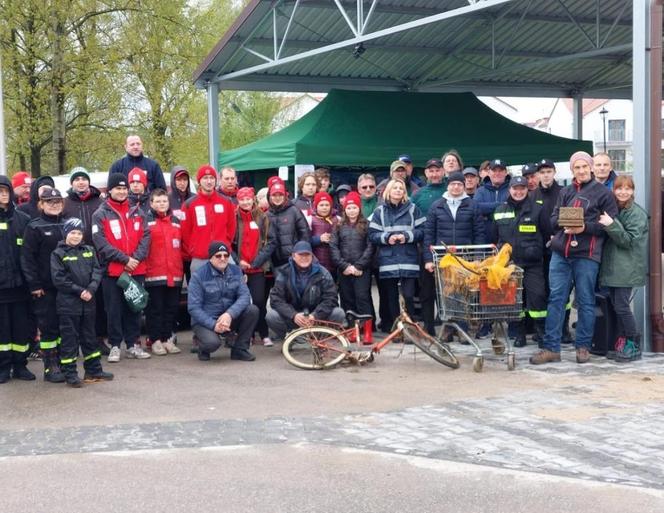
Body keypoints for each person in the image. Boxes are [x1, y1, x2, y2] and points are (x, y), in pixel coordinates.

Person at [530, 151, 618, 365]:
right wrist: (563, 223)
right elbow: (552, 219)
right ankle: (552, 348)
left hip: (587, 255)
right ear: (572, 170)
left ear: (591, 167)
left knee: (586, 301)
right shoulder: (566, 191)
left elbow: (610, 226)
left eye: (584, 166)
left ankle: (583, 347)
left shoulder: (604, 194)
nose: (581, 171)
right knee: (556, 299)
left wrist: (583, 227)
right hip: (561, 253)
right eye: (576, 168)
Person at [92, 173, 151, 363]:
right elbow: (100, 243)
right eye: (118, 188)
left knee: (134, 309)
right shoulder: (100, 214)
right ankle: (115, 345)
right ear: (110, 190)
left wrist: (135, 259)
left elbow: (146, 238)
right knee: (114, 310)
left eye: (124, 188)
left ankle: (133, 344)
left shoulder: (137, 212)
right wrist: (124, 259)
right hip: (113, 272)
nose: (121, 191)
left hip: (136, 270)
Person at [50, 218, 112, 387]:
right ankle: (70, 374)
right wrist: (80, 291)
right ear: (65, 233)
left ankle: (93, 370)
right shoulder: (58, 253)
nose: (76, 236)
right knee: (70, 341)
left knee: (90, 338)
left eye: (79, 233)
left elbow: (97, 271)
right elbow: (59, 279)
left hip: (88, 303)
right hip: (69, 304)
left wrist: (91, 289)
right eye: (72, 233)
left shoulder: (89, 250)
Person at [423, 172, 485, 335]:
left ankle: (463, 329)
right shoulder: (436, 206)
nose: (456, 187)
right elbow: (429, 234)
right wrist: (428, 259)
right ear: (447, 186)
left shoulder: (472, 205)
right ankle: (449, 328)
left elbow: (479, 233)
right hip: (443, 258)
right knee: (446, 292)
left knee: (464, 292)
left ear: (464, 186)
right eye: (453, 184)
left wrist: (478, 257)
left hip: (465, 257)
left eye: (459, 184)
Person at [492, 176, 548, 347]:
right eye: (515, 188)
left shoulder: (537, 209)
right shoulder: (500, 209)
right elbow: (496, 237)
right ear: (509, 190)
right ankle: (519, 334)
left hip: (533, 263)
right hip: (510, 264)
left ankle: (540, 332)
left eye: (522, 188)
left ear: (527, 189)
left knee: (537, 297)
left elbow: (546, 233)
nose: (518, 191)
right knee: (515, 300)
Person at [598, 175, 648, 362]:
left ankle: (634, 344)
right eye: (619, 188)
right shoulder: (615, 209)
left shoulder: (636, 213)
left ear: (633, 191)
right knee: (615, 306)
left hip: (627, 268)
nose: (623, 192)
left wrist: (611, 224)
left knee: (622, 306)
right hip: (614, 268)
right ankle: (622, 343)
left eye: (627, 188)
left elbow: (628, 241)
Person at [21, 187, 66, 382]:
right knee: (49, 328)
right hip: (44, 288)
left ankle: (66, 362)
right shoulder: (34, 227)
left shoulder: (69, 224)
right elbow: (27, 259)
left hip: (67, 287)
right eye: (49, 202)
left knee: (66, 327)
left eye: (57, 202)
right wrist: (34, 285)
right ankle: (51, 367)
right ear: (41, 204)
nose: (54, 205)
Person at [369, 178, 425, 330]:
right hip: (388, 260)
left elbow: (423, 231)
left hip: (408, 258)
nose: (398, 190)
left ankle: (411, 326)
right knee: (391, 297)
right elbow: (372, 234)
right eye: (395, 188)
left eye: (401, 188)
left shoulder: (414, 209)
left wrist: (406, 236)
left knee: (408, 295)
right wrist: (387, 238)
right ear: (389, 191)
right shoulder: (379, 212)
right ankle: (397, 328)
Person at [62, 166, 108, 355]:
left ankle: (99, 339)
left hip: (98, 257)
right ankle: (79, 342)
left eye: (84, 178)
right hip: (73, 259)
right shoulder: (65, 203)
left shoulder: (100, 202)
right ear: (72, 183)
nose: (81, 182)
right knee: (78, 300)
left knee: (99, 302)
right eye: (77, 179)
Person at [187, 241, 258, 362]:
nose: (223, 258)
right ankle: (203, 347)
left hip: (227, 317)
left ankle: (239, 350)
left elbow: (245, 296)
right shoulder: (198, 276)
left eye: (226, 255)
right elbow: (194, 308)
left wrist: (230, 314)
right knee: (213, 344)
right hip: (206, 321)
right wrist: (214, 325)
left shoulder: (236, 271)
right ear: (210, 258)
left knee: (252, 310)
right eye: (218, 255)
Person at [266, 241, 345, 340]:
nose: (304, 258)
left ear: (312, 256)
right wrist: (293, 315)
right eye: (300, 255)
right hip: (294, 317)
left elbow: (331, 298)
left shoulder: (323, 273)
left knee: (338, 313)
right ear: (294, 256)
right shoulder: (284, 273)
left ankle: (320, 340)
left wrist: (315, 315)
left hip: (316, 317)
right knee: (271, 316)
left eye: (307, 255)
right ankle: (292, 339)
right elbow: (276, 299)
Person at [0, 176, 35, 383]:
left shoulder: (22, 220)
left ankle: (20, 365)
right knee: (2, 330)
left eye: (6, 191)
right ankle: (3, 367)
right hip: (1, 289)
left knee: (21, 328)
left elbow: (30, 254)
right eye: (0, 191)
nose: (3, 195)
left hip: (21, 286)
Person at [144, 189, 184, 356]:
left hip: (174, 272)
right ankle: (155, 340)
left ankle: (167, 338)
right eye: (158, 201)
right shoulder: (146, 221)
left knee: (171, 308)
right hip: (154, 273)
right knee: (155, 309)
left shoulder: (176, 221)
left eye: (164, 201)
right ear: (151, 203)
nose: (162, 204)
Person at [233, 187, 272, 347]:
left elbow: (268, 242)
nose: (245, 202)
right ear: (238, 201)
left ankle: (263, 333)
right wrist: (237, 261)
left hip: (257, 267)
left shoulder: (262, 217)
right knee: (241, 302)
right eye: (242, 199)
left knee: (259, 301)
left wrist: (257, 261)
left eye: (248, 199)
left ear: (253, 199)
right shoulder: (234, 218)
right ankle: (246, 334)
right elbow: (229, 243)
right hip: (240, 268)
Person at [330, 192, 374, 330]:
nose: (351, 211)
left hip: (362, 269)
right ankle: (351, 327)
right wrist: (344, 266)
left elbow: (370, 247)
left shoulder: (367, 225)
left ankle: (367, 329)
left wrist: (359, 266)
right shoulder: (338, 225)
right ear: (345, 209)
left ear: (359, 208)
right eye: (349, 208)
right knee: (347, 298)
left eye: (354, 207)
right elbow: (333, 247)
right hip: (344, 269)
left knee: (362, 297)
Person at [181, 164, 236, 274]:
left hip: (223, 256)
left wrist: (224, 245)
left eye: (212, 178)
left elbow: (231, 228)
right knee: (200, 290)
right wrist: (193, 248)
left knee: (229, 289)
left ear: (216, 181)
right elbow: (185, 232)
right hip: (200, 258)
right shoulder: (189, 204)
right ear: (199, 181)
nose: (209, 181)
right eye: (205, 178)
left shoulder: (226, 202)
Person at [262, 180, 310, 269]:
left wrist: (300, 254)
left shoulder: (294, 211)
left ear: (285, 196)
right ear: (269, 196)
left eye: (280, 195)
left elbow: (304, 234)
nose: (277, 198)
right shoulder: (266, 215)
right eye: (274, 195)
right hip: (275, 262)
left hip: (294, 260)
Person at [474, 158, 511, 243]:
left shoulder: (512, 189)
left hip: (507, 240)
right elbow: (476, 208)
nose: (497, 173)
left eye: (500, 170)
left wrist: (487, 210)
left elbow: (514, 208)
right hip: (485, 239)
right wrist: (501, 205)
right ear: (489, 173)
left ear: (505, 172)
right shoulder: (480, 190)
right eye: (494, 170)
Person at [310, 191, 338, 278]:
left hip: (333, 264)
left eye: (327, 205)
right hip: (315, 264)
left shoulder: (337, 220)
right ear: (316, 206)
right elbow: (305, 240)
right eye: (321, 205)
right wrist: (319, 239)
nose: (324, 208)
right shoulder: (310, 220)